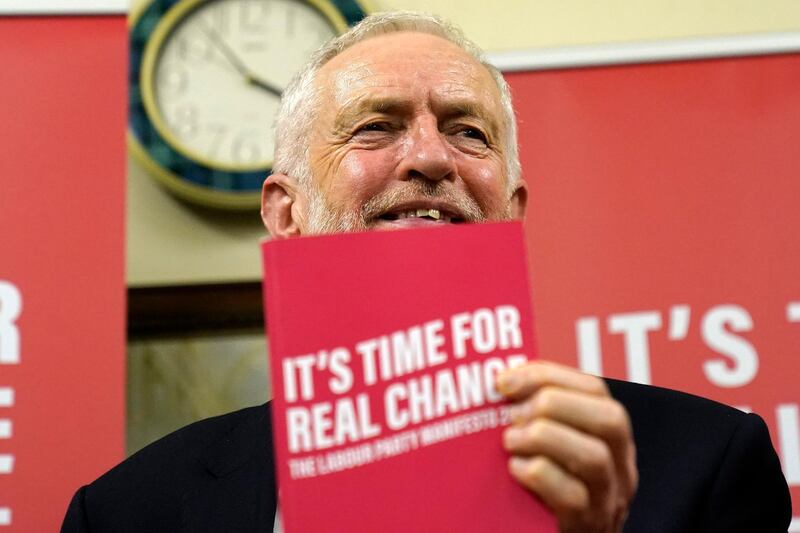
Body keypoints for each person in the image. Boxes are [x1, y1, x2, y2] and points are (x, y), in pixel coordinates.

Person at [62, 11, 791, 533]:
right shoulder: (129, 512)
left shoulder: (705, 464)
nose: (430, 157)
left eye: (467, 130)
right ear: (285, 214)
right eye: (375, 125)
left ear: (512, 207)